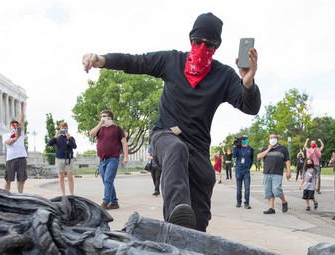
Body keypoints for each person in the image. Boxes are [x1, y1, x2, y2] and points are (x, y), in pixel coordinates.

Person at [82, 12, 261, 232]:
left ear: (216, 47)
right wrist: (102, 60)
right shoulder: (172, 60)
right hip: (164, 136)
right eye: (198, 42)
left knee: (203, 191)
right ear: (190, 40)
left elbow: (250, 107)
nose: (202, 48)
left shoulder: (223, 75)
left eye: (209, 44)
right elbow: (137, 61)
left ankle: (193, 234)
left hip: (198, 147)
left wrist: (248, 81)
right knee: (176, 149)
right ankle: (177, 214)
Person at [89, 110, 129, 210]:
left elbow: (124, 143)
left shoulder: (117, 129)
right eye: (101, 116)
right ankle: (114, 202)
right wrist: (99, 125)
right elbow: (91, 134)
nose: (102, 118)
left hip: (113, 159)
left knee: (108, 180)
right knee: (107, 182)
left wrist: (126, 156)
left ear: (110, 118)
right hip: (102, 160)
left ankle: (106, 201)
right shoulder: (100, 129)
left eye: (104, 116)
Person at [258, 134, 291, 214]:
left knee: (276, 189)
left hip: (277, 173)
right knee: (268, 191)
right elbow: (259, 157)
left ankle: (284, 202)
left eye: (274, 137)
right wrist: (268, 149)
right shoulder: (265, 148)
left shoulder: (283, 148)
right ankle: (271, 208)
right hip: (267, 172)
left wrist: (288, 171)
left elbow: (287, 160)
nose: (272, 139)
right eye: (271, 138)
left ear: (277, 139)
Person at [47, 122, 77, 196]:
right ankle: (63, 193)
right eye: (62, 128)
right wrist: (55, 136)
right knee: (61, 177)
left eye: (66, 128)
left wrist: (69, 138)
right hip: (59, 158)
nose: (64, 129)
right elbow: (49, 144)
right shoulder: (58, 138)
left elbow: (74, 146)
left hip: (69, 159)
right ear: (60, 129)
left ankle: (71, 193)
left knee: (70, 176)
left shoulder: (71, 138)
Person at [4, 103, 27, 194]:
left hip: (21, 157)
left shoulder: (21, 134)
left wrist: (22, 107)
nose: (15, 126)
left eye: (16, 125)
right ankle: (5, 194)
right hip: (11, 159)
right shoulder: (6, 135)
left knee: (21, 179)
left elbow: (22, 119)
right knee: (8, 179)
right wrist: (15, 138)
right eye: (13, 125)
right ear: (10, 126)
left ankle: (20, 195)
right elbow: (8, 143)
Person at [232, 136, 254, 209]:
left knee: (247, 188)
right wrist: (234, 146)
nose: (244, 140)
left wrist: (248, 166)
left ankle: (247, 203)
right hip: (238, 171)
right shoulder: (238, 148)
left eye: (245, 139)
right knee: (239, 188)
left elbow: (251, 159)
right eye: (243, 139)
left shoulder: (250, 149)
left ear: (248, 140)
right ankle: (238, 202)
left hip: (246, 171)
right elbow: (234, 156)